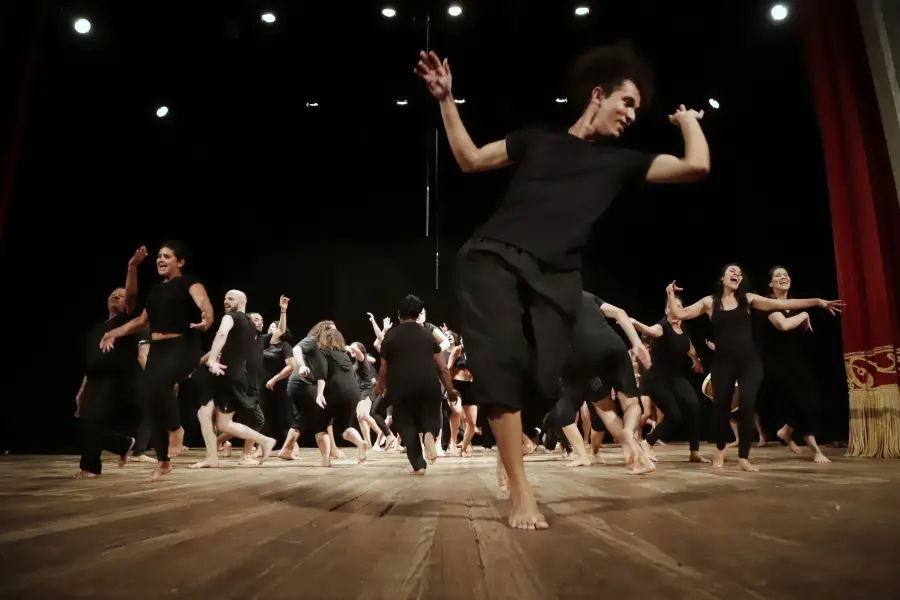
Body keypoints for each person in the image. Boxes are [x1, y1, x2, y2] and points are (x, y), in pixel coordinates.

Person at [415, 45, 710, 530]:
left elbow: (695, 166)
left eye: (637, 109)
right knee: (501, 364)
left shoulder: (620, 162)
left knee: (544, 378)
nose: (631, 115)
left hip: (557, 274)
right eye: (627, 102)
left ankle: (509, 448)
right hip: (492, 257)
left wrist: (689, 122)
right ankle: (521, 491)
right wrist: (446, 99)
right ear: (598, 95)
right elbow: (470, 159)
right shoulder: (536, 140)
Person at [665, 263, 842, 471]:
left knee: (748, 408)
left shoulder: (748, 299)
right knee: (721, 409)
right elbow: (679, 314)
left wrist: (818, 302)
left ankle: (744, 458)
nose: (737, 274)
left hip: (750, 363)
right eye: (732, 271)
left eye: (739, 273)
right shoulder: (709, 302)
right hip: (723, 364)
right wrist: (670, 293)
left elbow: (781, 304)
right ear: (722, 278)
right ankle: (720, 449)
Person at [100, 241, 214, 482]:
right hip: (159, 349)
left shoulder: (189, 283)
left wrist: (207, 318)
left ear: (180, 262)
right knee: (150, 398)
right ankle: (163, 462)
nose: (161, 260)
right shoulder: (155, 291)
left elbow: (204, 303)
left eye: (167, 256)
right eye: (159, 256)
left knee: (160, 383)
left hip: (183, 345)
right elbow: (141, 321)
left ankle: (176, 429)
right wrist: (114, 332)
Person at [74, 247, 148, 478]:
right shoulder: (96, 329)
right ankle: (123, 443)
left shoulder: (127, 322)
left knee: (93, 419)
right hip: (95, 380)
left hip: (117, 380)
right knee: (86, 423)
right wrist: (82, 391)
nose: (116, 297)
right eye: (112, 295)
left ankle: (90, 468)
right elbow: (92, 363)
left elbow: (132, 294)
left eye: (120, 295)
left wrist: (132, 267)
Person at [190, 290, 276, 469]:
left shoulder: (231, 317)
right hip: (235, 375)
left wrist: (212, 359)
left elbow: (222, 334)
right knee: (214, 418)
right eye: (224, 298)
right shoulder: (250, 324)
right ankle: (214, 457)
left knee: (214, 419)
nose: (226, 301)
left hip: (226, 374)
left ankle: (263, 441)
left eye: (231, 298)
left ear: (242, 302)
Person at [374, 295, 458, 474]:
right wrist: (450, 390)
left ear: (399, 315)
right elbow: (442, 368)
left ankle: (419, 465)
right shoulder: (427, 335)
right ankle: (429, 434)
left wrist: (380, 386)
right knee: (431, 415)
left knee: (405, 423)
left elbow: (383, 369)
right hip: (428, 384)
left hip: (400, 387)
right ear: (419, 314)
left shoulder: (390, 336)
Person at [763, 266, 831, 463]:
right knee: (801, 401)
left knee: (810, 400)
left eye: (786, 274)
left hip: (795, 360)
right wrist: (804, 315)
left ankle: (786, 431)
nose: (783, 277)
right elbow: (783, 325)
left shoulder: (793, 305)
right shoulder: (768, 303)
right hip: (775, 362)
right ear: (771, 283)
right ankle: (815, 449)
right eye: (778, 275)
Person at [630, 296, 709, 463]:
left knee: (694, 407)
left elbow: (688, 347)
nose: (675, 308)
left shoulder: (683, 329)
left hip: (675, 377)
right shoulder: (662, 327)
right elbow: (650, 331)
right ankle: (647, 443)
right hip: (656, 378)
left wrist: (696, 361)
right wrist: (634, 322)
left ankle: (694, 452)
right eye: (672, 306)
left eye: (678, 306)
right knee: (674, 416)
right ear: (667, 310)